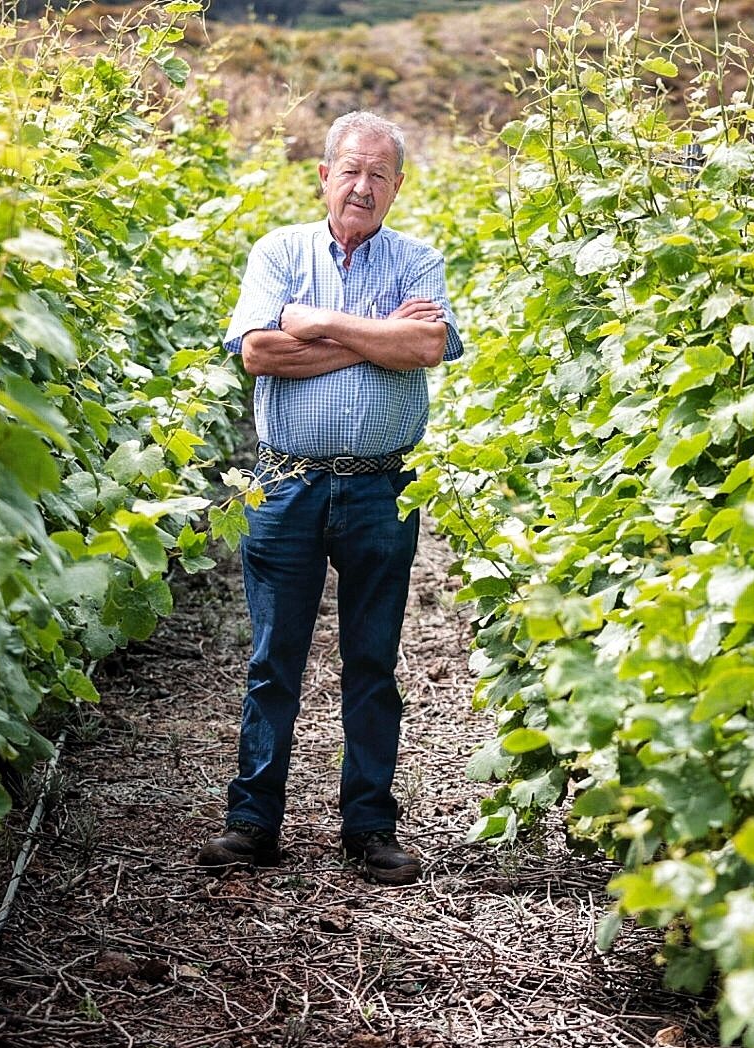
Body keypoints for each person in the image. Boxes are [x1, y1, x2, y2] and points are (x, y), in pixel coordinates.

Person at [198, 111, 465, 885]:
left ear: (399, 188)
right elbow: (257, 353)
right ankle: (253, 824)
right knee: (273, 658)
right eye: (350, 169)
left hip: (382, 485)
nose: (363, 185)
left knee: (373, 662)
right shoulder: (278, 251)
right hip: (287, 485)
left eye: (380, 174)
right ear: (323, 175)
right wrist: (372, 335)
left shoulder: (420, 259)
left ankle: (370, 827)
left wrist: (316, 324)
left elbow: (424, 347)